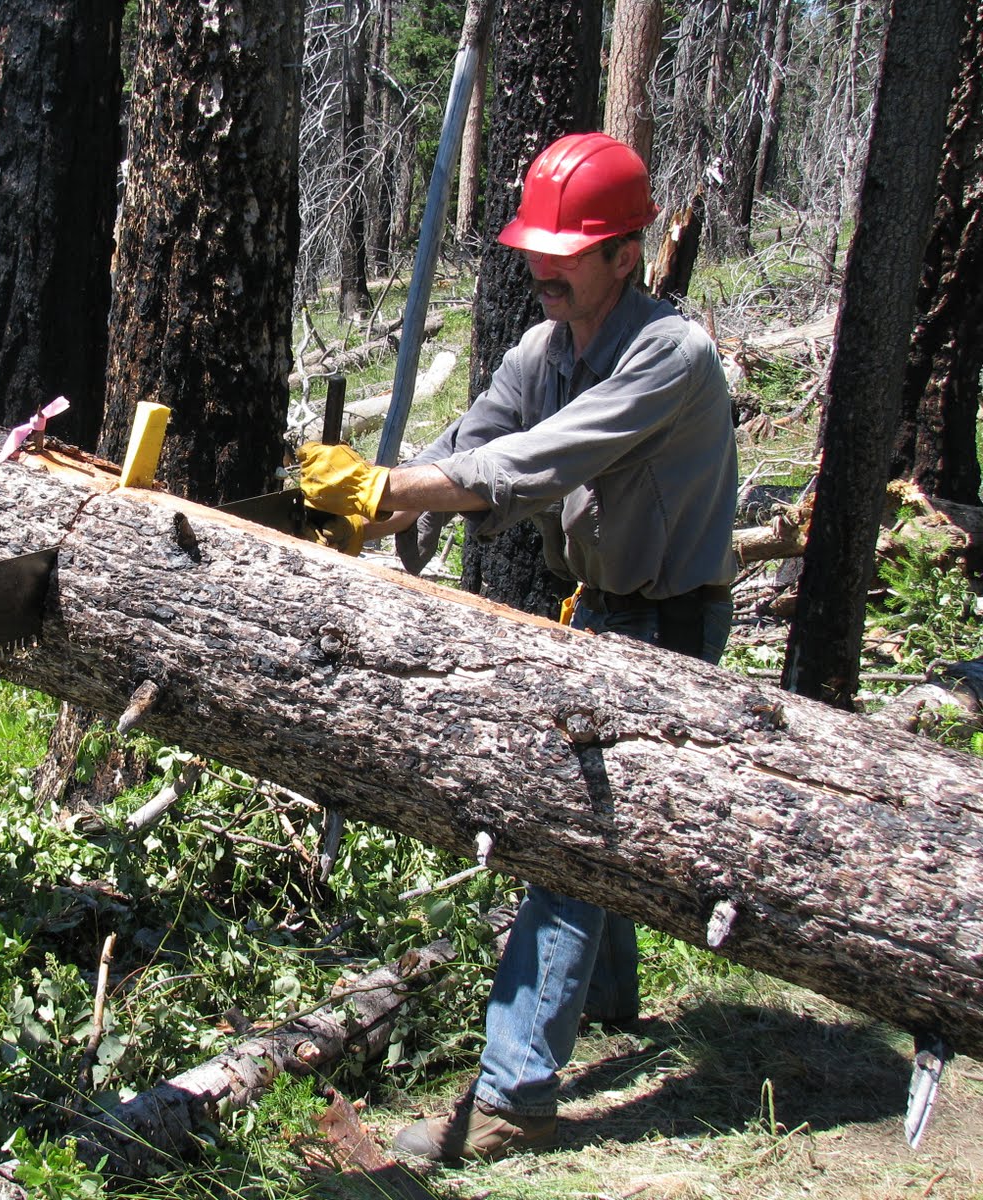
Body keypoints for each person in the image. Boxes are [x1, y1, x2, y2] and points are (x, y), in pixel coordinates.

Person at [296, 131, 739, 1164]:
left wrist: (392, 493)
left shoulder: (671, 354)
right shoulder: (545, 349)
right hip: (604, 610)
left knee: (572, 842)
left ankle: (513, 1095)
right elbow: (475, 439)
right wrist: (371, 500)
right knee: (608, 831)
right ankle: (615, 1002)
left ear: (623, 256)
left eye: (562, 252)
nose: (538, 268)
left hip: (669, 624)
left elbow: (537, 462)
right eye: (533, 248)